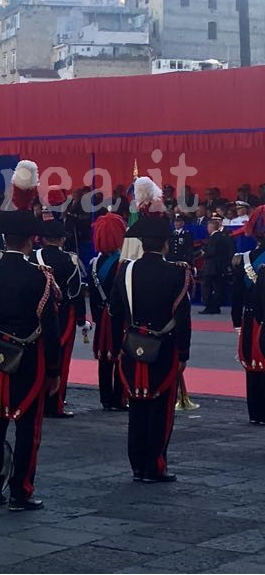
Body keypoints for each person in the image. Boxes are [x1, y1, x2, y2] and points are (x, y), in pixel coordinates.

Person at [0, 160, 61, 511]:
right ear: (31, 239)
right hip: (29, 361)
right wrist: (53, 371)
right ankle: (21, 491)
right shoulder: (41, 277)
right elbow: (50, 331)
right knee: (27, 430)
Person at [110, 177, 191, 482]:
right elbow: (183, 319)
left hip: (132, 346)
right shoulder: (176, 273)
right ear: (166, 243)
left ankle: (137, 465)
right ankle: (155, 465)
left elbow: (116, 312)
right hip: (165, 346)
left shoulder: (126, 271)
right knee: (161, 410)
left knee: (137, 408)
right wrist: (184, 352)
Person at [31, 217, 87, 418]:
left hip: (36, 313)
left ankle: (36, 397)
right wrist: (81, 319)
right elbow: (75, 293)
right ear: (62, 240)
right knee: (61, 361)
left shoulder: (33, 257)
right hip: (61, 315)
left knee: (38, 357)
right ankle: (55, 403)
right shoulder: (69, 261)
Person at [89, 212, 127, 411]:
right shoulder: (123, 264)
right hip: (118, 316)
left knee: (104, 359)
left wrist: (96, 317)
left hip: (102, 315)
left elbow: (93, 296)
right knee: (120, 355)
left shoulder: (94, 264)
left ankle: (105, 398)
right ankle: (119, 398)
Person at [230, 205, 265, 424]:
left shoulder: (242, 260)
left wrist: (237, 324)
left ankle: (255, 412)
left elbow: (236, 296)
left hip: (250, 320)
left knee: (253, 366)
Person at [201, 215, 233, 314]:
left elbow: (211, 252)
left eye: (208, 227)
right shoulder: (223, 237)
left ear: (211, 227)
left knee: (207, 286)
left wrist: (204, 254)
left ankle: (209, 306)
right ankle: (216, 306)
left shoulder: (213, 238)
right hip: (220, 267)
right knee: (218, 287)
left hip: (211, 267)